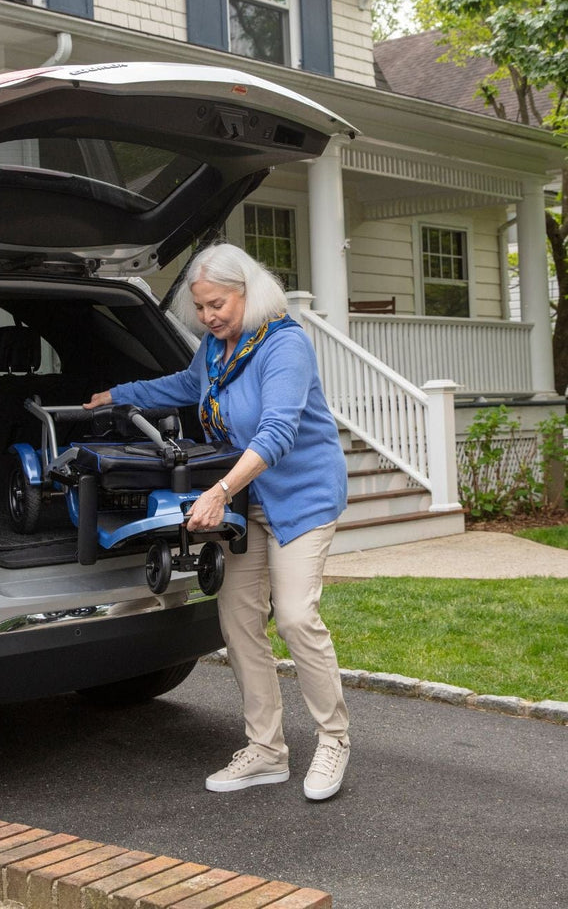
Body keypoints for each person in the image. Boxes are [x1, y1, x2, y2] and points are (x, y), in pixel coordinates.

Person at [84, 243, 350, 801]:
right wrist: (119, 395)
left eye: (217, 304)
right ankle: (267, 750)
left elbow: (276, 432)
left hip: (300, 498)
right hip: (246, 503)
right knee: (239, 622)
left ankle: (333, 739)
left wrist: (219, 489)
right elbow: (184, 387)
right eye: (201, 307)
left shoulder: (285, 345)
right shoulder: (215, 348)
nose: (208, 317)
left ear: (248, 292)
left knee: (298, 617)